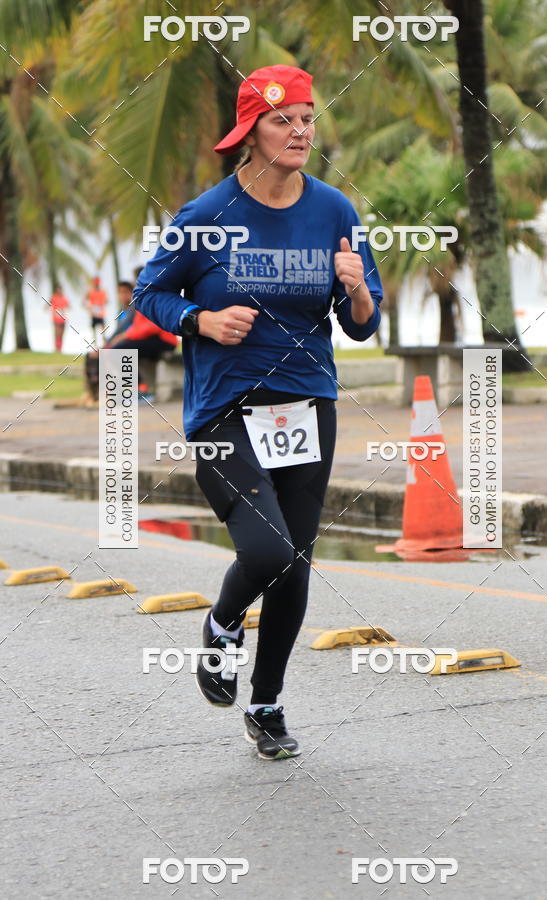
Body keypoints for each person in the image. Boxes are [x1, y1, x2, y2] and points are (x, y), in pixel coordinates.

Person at [134, 64, 383, 760]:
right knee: (267, 551)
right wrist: (201, 321)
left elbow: (361, 323)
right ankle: (220, 626)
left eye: (307, 117)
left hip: (308, 405)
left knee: (296, 566)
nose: (301, 130)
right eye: (284, 119)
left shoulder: (334, 210)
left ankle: (267, 703)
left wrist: (358, 291)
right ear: (250, 132)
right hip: (225, 412)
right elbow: (148, 294)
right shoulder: (207, 215)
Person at [83, 280, 136, 404]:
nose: (122, 296)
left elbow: (134, 329)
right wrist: (105, 345)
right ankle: (93, 391)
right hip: (119, 341)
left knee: (108, 354)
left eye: (125, 292)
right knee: (91, 356)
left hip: (131, 341)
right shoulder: (121, 311)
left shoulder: (135, 308)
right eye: (120, 293)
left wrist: (112, 344)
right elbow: (117, 331)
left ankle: (115, 391)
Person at [85, 276, 108, 344]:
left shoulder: (103, 291)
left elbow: (106, 301)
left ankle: (105, 344)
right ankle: (95, 345)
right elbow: (85, 301)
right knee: (94, 331)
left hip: (101, 314)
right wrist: (89, 307)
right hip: (93, 314)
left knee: (103, 330)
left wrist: (101, 304)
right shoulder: (90, 291)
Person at [49, 285, 69, 351]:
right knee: (57, 334)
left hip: (63, 319)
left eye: (60, 289)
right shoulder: (53, 298)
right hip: (56, 318)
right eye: (58, 289)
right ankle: (56, 348)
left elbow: (68, 306)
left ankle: (60, 349)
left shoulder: (64, 298)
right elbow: (49, 304)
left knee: (61, 334)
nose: (59, 291)